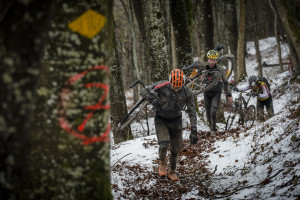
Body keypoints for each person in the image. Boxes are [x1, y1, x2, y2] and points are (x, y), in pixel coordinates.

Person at [139, 69, 198, 181]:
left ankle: (172, 171)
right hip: (161, 119)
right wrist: (153, 100)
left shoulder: (187, 92)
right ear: (170, 82)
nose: (176, 89)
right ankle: (162, 163)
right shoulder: (162, 85)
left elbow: (192, 111)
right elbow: (143, 91)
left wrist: (194, 130)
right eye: (174, 86)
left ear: (183, 83)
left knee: (176, 149)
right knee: (164, 144)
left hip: (176, 120)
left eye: (178, 87)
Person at [202, 50, 233, 136]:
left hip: (216, 92)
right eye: (210, 59)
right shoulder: (204, 68)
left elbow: (226, 82)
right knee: (208, 112)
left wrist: (229, 95)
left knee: (213, 110)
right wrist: (201, 77)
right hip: (206, 92)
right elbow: (198, 80)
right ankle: (213, 127)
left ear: (216, 60)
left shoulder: (220, 69)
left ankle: (212, 130)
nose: (212, 62)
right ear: (208, 60)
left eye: (214, 60)